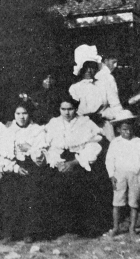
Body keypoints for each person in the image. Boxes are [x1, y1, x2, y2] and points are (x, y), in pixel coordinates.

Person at [44, 96, 106, 237]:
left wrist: (74, 163)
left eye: (70, 109)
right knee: (52, 184)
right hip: (59, 159)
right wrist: (57, 162)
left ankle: (83, 227)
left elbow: (94, 144)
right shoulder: (53, 123)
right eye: (63, 109)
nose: (67, 113)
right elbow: (47, 146)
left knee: (82, 184)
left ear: (76, 109)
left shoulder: (85, 122)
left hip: (80, 160)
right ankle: (61, 226)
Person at [0, 102, 51, 241]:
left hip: (33, 165)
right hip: (13, 166)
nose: (21, 117)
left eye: (24, 113)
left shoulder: (37, 130)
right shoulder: (8, 131)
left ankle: (29, 232)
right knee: (10, 193)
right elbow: (2, 156)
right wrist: (15, 167)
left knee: (31, 193)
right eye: (18, 114)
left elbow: (42, 156)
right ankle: (9, 232)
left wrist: (31, 149)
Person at [104, 111, 140, 237]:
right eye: (124, 129)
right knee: (117, 202)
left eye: (130, 129)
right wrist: (111, 175)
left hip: (135, 175)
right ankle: (115, 227)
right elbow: (109, 159)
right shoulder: (115, 143)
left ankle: (132, 227)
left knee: (134, 203)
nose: (128, 132)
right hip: (119, 175)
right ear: (119, 129)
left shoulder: (138, 142)